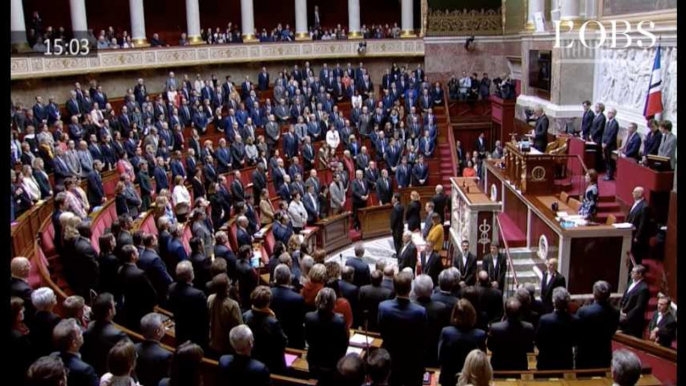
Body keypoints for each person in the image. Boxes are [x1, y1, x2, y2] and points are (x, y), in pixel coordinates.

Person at [378, 271, 427, 386]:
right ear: (410, 289)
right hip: (412, 360)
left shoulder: (383, 307)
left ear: (394, 287)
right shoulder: (420, 311)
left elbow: (382, 330)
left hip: (391, 358)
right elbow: (422, 337)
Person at [438, 298, 487, 386]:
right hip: (471, 380)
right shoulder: (480, 335)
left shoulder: (446, 332)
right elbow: (482, 361)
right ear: (472, 314)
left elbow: (440, 357)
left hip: (449, 379)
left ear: (454, 315)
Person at [305, 287, 350, 381]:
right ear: (333, 303)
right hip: (332, 361)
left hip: (314, 359)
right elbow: (344, 344)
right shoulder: (339, 321)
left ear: (317, 300)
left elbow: (308, 338)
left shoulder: (309, 316)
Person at [242, 286, 288, 374]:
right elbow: (283, 341)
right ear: (268, 303)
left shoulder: (245, 315)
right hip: (270, 363)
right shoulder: (272, 322)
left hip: (252, 358)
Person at [575, 280, 619, 369]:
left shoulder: (583, 311)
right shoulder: (615, 312)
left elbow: (576, 332)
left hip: (585, 355)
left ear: (594, 294)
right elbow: (612, 331)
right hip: (604, 355)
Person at [81, 293, 127, 376]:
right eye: (114, 304)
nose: (115, 305)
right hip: (109, 373)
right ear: (110, 311)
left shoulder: (90, 326)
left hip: (93, 369)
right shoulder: (118, 334)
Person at [168, 261, 209, 349]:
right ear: (190, 275)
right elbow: (204, 318)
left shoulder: (171, 288)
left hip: (180, 330)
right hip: (196, 334)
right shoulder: (198, 294)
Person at [535, 287, 577, 370]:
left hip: (546, 361)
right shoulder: (574, 320)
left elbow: (538, 341)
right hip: (565, 362)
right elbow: (575, 341)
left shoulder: (544, 319)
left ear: (553, 302)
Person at [487, 298, 534, 371]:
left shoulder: (495, 327)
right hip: (520, 367)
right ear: (520, 313)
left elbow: (490, 347)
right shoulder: (529, 327)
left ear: (505, 312)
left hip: (499, 367)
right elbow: (529, 348)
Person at [413, 275, 449, 367]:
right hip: (434, 352)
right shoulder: (441, 308)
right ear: (432, 290)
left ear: (415, 290)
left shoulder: (410, 307)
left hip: (414, 353)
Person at [52, 318, 99, 386]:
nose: (82, 333)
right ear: (74, 343)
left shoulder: (52, 357)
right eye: (80, 332)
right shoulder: (86, 370)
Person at [270, 264, 306, 349]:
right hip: (294, 339)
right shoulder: (298, 298)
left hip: (274, 337)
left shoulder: (268, 294)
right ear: (289, 278)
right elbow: (301, 320)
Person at [208, 274, 243, 356]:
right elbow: (238, 326)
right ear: (227, 288)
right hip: (226, 345)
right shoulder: (233, 305)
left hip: (212, 341)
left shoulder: (210, 298)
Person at [135, 313, 173, 386]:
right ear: (158, 331)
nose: (164, 326)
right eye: (162, 324)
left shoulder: (134, 347)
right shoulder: (166, 355)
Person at [620, 264, 651, 339]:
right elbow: (625, 294)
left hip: (634, 321)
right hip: (624, 315)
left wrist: (627, 316)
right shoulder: (631, 281)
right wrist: (621, 309)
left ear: (640, 274)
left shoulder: (644, 288)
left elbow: (639, 307)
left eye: (633, 272)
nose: (631, 273)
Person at [30, 287, 62, 358]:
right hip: (51, 353)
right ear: (49, 303)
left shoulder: (35, 315)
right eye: (53, 296)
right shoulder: (55, 319)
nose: (55, 296)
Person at [626, 187, 652, 265]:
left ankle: (636, 273)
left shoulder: (644, 207)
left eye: (634, 192)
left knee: (636, 256)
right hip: (631, 233)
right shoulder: (636, 203)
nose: (632, 193)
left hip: (637, 237)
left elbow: (643, 224)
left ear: (640, 194)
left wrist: (637, 237)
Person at [602, 107, 619, 180]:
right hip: (605, 145)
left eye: (611, 113)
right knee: (606, 160)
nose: (609, 114)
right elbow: (604, 134)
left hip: (611, 146)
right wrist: (603, 142)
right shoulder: (607, 122)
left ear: (614, 114)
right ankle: (607, 173)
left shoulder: (615, 123)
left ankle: (610, 175)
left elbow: (612, 135)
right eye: (608, 112)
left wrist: (606, 144)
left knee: (610, 161)